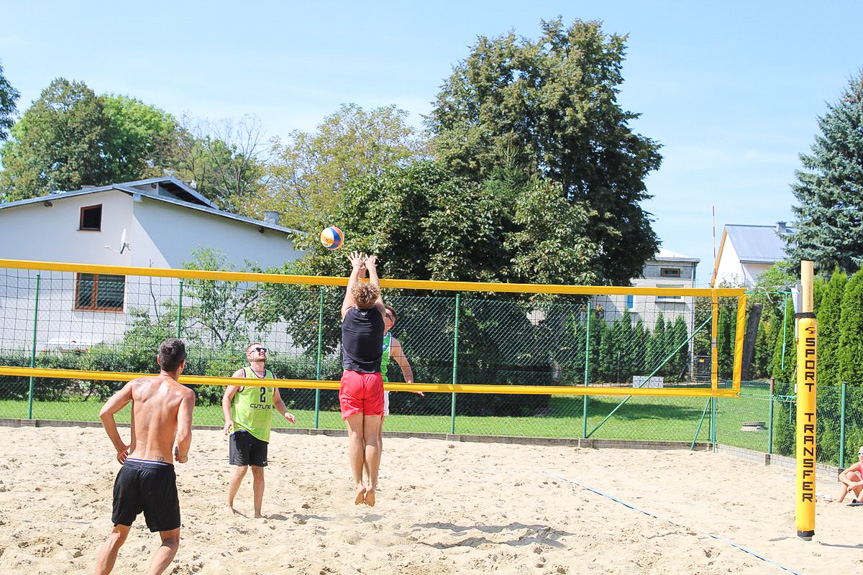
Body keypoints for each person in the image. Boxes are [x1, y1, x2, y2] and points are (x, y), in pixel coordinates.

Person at [93, 338, 195, 575]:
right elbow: (184, 434)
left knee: (117, 535)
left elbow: (104, 412)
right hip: (158, 470)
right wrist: (183, 454)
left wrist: (120, 446)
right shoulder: (184, 394)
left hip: (130, 467)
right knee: (170, 540)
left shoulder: (137, 385)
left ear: (159, 360)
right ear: (183, 364)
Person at [222, 342, 296, 518]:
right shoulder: (242, 374)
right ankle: (228, 505)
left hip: (262, 430)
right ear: (249, 356)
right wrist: (228, 419)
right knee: (241, 469)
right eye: (257, 349)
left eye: (264, 349)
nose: (262, 351)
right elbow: (227, 397)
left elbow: (276, 400)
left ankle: (257, 513)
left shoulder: (271, 376)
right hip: (242, 428)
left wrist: (285, 413)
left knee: (258, 471)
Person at [340, 251, 386, 506]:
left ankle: (358, 483)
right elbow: (376, 291)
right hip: (373, 379)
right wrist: (371, 267)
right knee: (372, 437)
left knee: (355, 436)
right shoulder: (380, 317)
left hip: (352, 378)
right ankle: (372, 485)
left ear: (355, 300)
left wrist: (357, 268)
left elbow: (350, 291)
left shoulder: (348, 314)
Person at [363, 304, 422, 483]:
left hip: (381, 388)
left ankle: (373, 473)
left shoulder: (392, 342)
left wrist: (410, 384)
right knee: (359, 433)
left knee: (375, 433)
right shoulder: (365, 330)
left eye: (389, 316)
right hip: (359, 383)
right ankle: (361, 473)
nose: (385, 317)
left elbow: (405, 366)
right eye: (383, 314)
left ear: (392, 323)